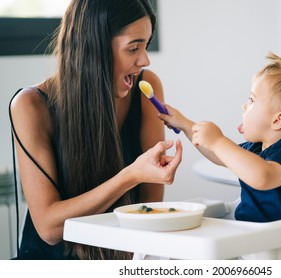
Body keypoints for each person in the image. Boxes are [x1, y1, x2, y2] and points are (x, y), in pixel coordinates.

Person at [9, 0, 182, 260]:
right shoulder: (30, 105)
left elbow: (149, 210)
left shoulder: (146, 87)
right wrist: (130, 176)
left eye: (145, 46)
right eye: (133, 48)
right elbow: (48, 227)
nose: (144, 60)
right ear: (94, 48)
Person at [159, 52, 281, 223]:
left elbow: (262, 176)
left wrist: (218, 141)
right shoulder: (257, 148)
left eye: (251, 100)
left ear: (277, 120)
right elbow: (218, 155)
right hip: (249, 234)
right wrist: (185, 125)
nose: (244, 106)